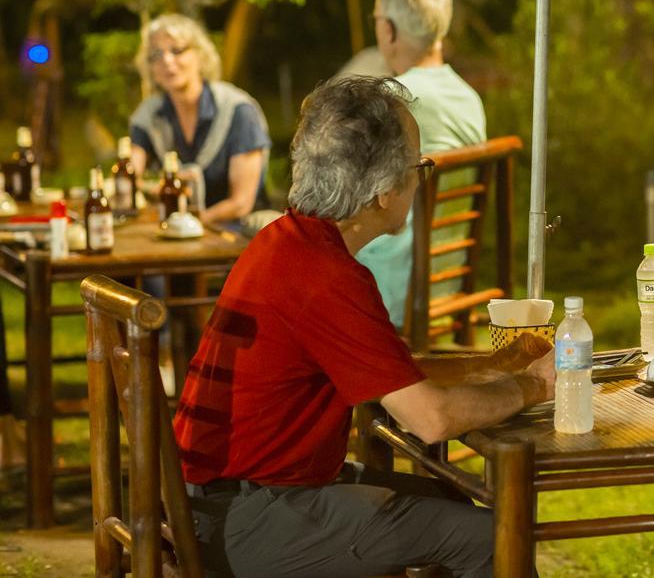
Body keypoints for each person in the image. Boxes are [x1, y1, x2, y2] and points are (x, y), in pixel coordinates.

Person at [174, 75, 554, 577]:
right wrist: (534, 386)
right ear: (381, 192)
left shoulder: (286, 241)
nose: (421, 180)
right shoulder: (328, 278)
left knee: (449, 498)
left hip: (216, 499)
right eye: (420, 167)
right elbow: (430, 419)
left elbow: (392, 374)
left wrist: (493, 365)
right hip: (245, 518)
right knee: (491, 536)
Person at [356, 0, 487, 327]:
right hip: (448, 274)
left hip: (395, 280)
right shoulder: (469, 97)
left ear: (390, 30)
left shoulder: (393, 97)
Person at [129, 14, 271, 227]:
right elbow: (129, 178)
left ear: (200, 56)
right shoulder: (149, 114)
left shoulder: (238, 111)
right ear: (149, 68)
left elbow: (241, 203)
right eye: (156, 54)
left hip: (238, 233)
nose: (167, 61)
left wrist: (190, 222)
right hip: (178, 232)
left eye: (177, 50)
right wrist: (151, 188)